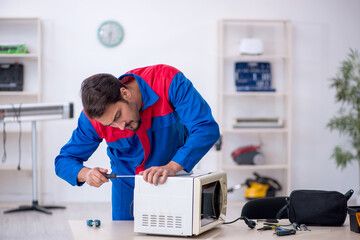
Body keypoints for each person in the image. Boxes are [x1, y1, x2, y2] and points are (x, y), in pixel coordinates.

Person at [55, 64, 220, 220]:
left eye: (118, 116)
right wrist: (86, 173)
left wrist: (172, 167)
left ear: (125, 93)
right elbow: (64, 161)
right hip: (126, 190)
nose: (120, 127)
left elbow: (205, 128)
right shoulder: (92, 120)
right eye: (110, 124)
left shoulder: (168, 81)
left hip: (173, 180)